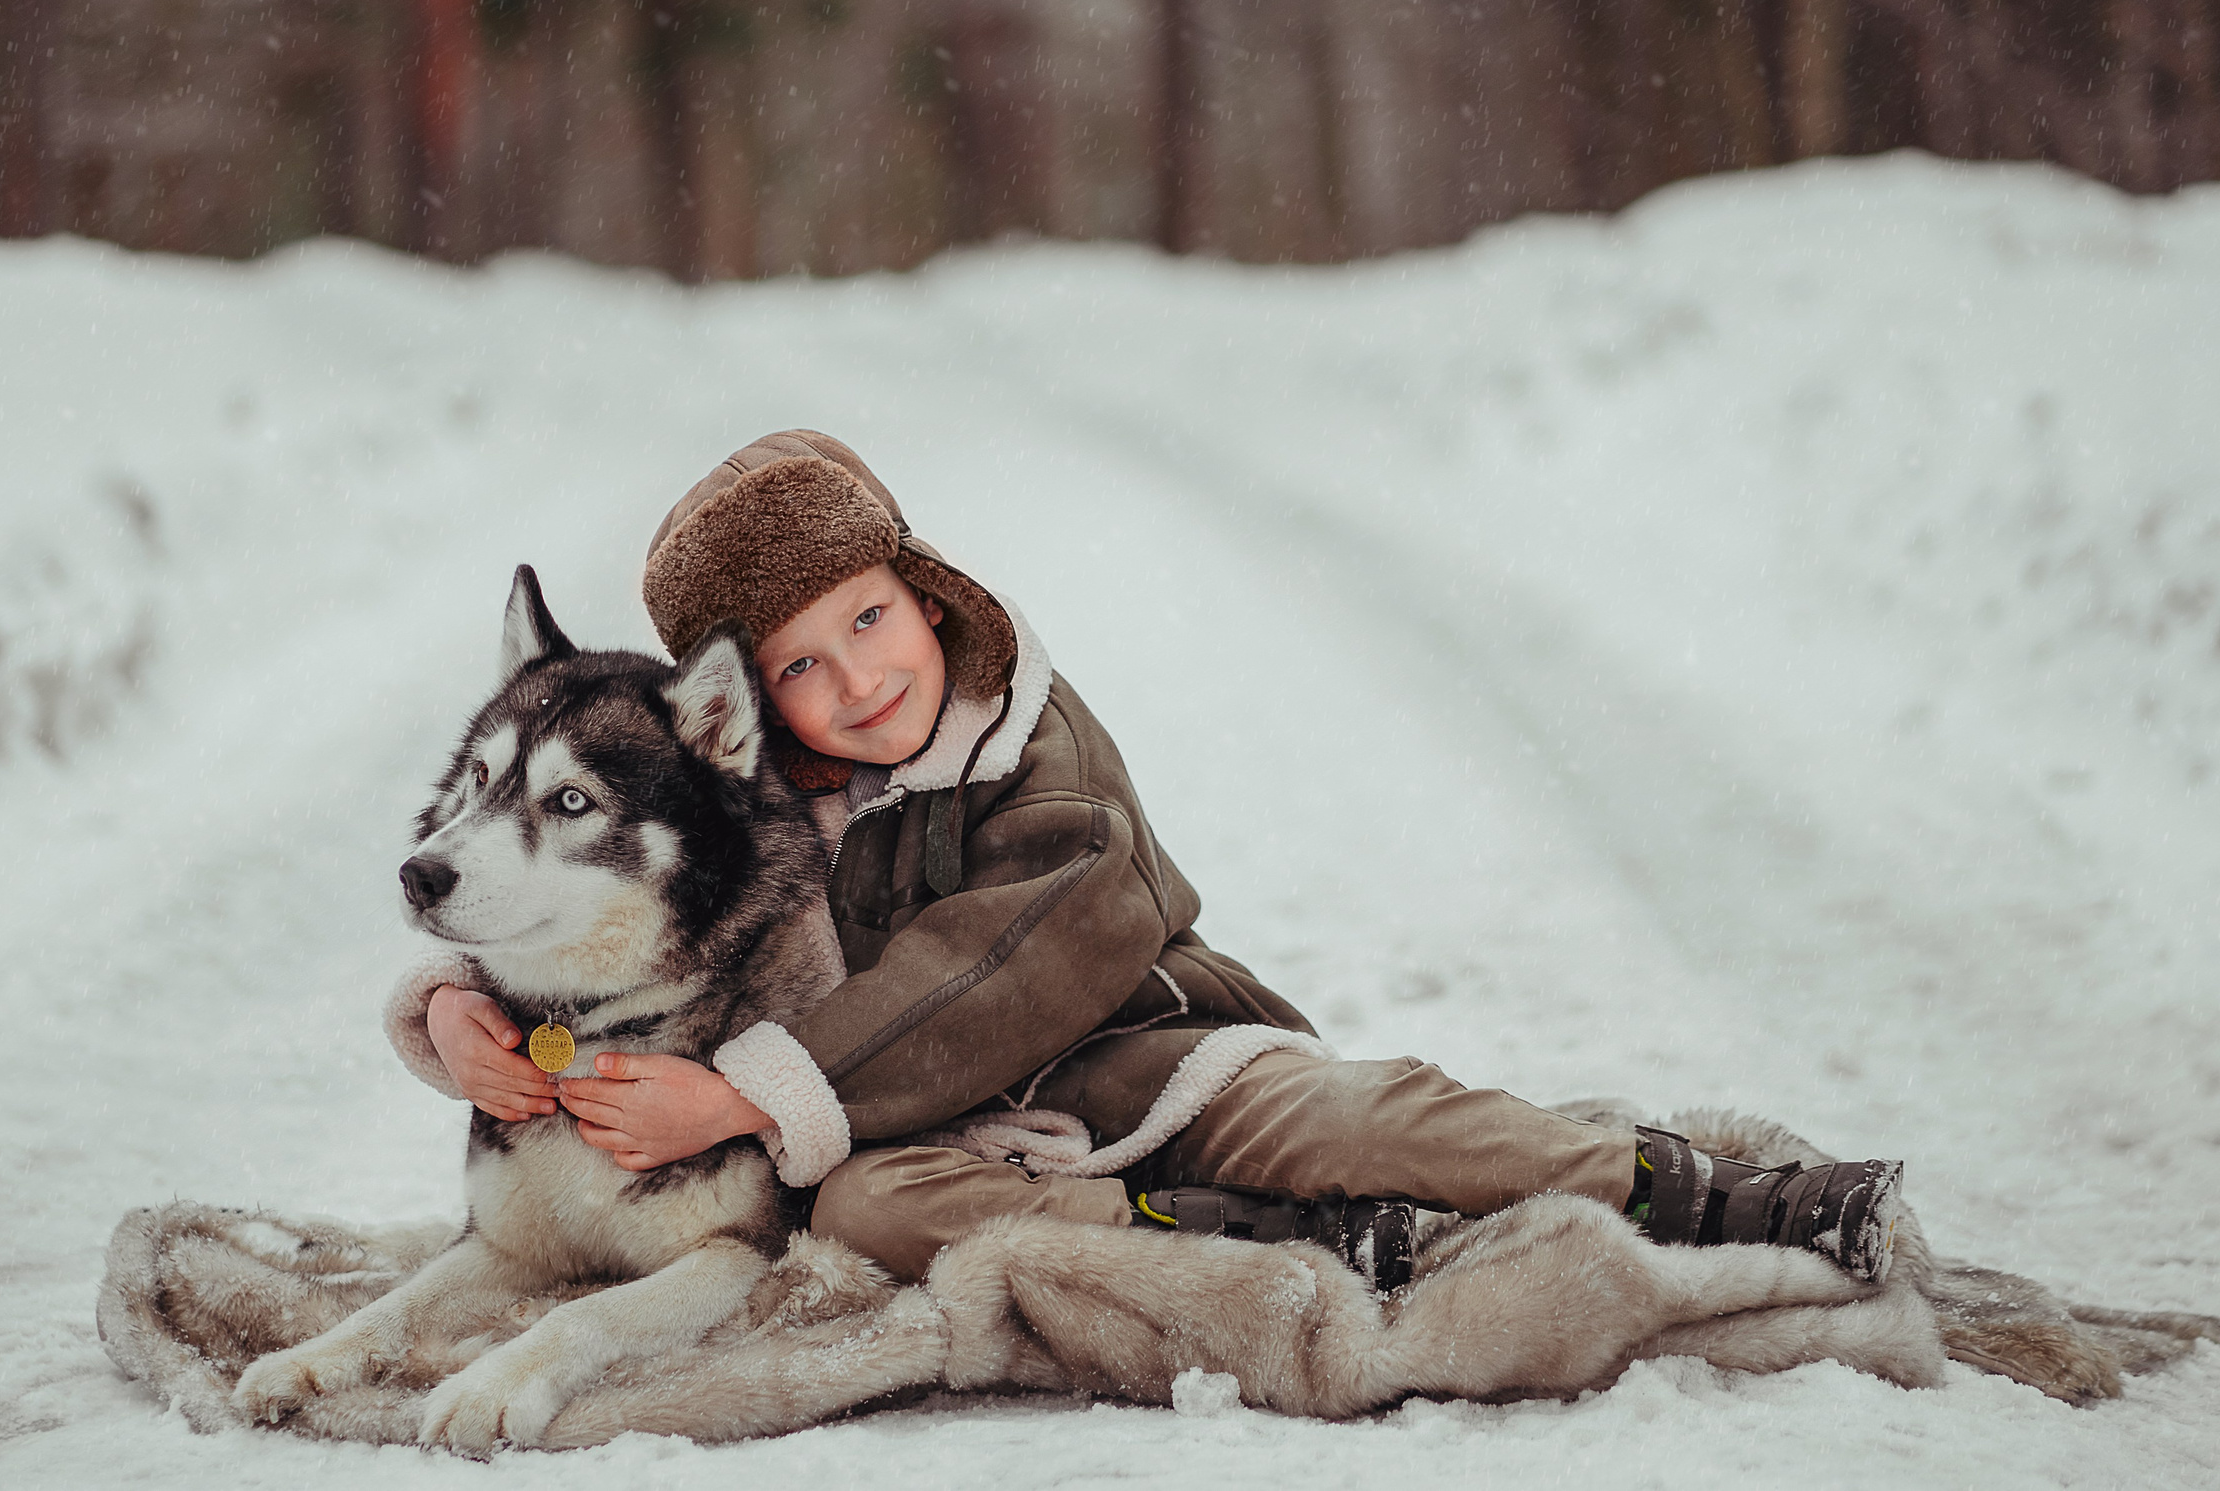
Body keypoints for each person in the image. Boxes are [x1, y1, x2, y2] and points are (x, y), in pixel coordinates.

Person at [383, 430, 1900, 1287]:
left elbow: (999, 964)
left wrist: (742, 1093)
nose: (852, 684)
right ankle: (1251, 1245)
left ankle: (1696, 1192)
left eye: (869, 623)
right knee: (868, 1221)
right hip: (937, 1142)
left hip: (1149, 1060)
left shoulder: (1033, 747)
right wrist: (455, 1006)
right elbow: (606, 905)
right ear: (739, 697)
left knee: (1372, 1121)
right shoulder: (741, 784)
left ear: (927, 598)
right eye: (798, 665)